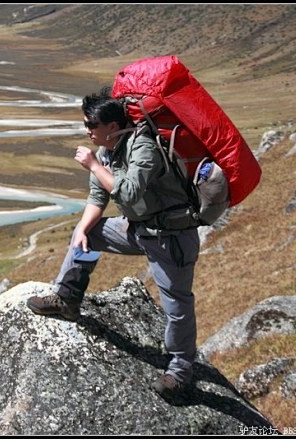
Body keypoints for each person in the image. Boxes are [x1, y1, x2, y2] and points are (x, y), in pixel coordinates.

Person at [26, 86, 200, 399]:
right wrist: (82, 229)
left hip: (169, 237)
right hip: (138, 229)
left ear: (113, 127)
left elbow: (129, 192)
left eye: (91, 125)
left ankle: (181, 371)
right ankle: (67, 298)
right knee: (87, 234)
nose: (87, 131)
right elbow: (98, 196)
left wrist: (94, 165)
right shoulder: (109, 150)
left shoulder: (143, 146)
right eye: (85, 125)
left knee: (177, 305)